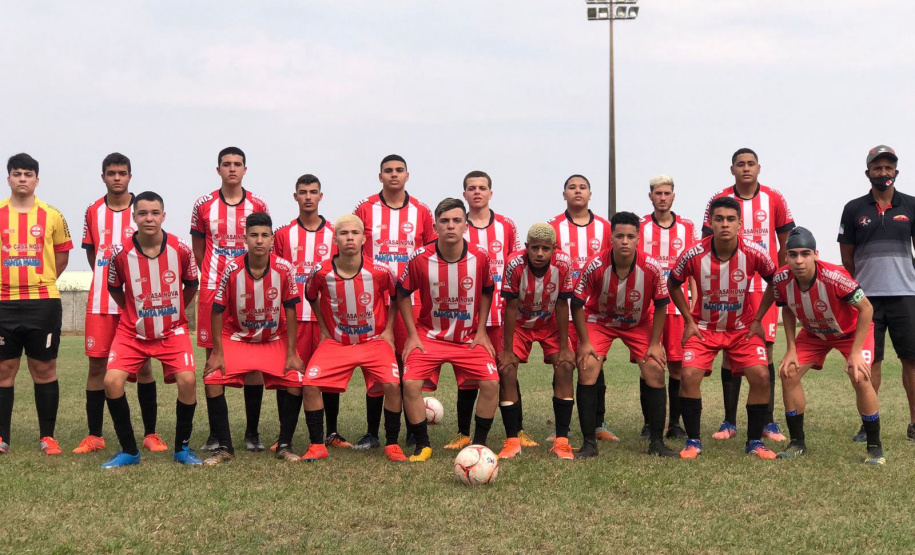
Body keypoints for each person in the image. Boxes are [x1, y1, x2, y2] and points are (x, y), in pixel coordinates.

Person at [750, 227, 884, 464]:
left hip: (849, 333)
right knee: (788, 372)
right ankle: (797, 442)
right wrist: (791, 348)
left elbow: (867, 309)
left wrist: (855, 352)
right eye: (793, 254)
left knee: (860, 376)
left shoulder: (835, 276)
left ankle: (874, 447)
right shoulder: (781, 278)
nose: (799, 260)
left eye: (805, 253)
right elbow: (787, 309)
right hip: (814, 332)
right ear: (786, 257)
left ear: (816, 255)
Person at [669, 196, 778, 460]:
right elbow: (673, 283)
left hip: (742, 329)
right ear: (710, 223)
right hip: (703, 328)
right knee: (688, 376)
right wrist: (689, 320)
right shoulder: (694, 253)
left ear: (740, 224)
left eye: (731, 219)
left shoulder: (754, 252)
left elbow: (776, 281)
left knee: (761, 376)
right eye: (719, 219)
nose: (725, 224)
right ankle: (693, 441)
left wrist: (758, 319)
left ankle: (754, 441)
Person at [101, 191, 201, 468]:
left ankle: (182, 449)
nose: (149, 218)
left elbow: (191, 285)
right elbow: (114, 288)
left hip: (172, 330)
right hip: (132, 332)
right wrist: (133, 312)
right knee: (111, 382)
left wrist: (175, 312)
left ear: (163, 216)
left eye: (155, 213)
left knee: (188, 380)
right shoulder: (120, 253)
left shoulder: (181, 249)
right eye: (143, 213)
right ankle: (129, 451)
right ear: (133, 217)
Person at [702, 148, 795, 442]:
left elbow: (787, 241)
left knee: (764, 350)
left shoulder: (774, 198)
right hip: (728, 287)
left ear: (759, 168)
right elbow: (706, 242)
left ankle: (768, 421)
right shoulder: (719, 199)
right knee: (730, 352)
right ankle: (729, 421)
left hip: (764, 288)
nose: (745, 168)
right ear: (732, 169)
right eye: (740, 164)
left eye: (750, 164)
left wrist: (781, 277)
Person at [397, 198, 498, 462]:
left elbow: (487, 290)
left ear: (466, 225)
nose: (450, 226)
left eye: (456, 221)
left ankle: (478, 444)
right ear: (435, 227)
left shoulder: (480, 256)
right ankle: (422, 445)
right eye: (444, 221)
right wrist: (412, 335)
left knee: (491, 383)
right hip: (429, 336)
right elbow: (402, 293)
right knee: (410, 383)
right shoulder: (420, 258)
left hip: (467, 338)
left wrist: (481, 331)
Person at [75, 152, 163, 455]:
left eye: (122, 173)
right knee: (97, 367)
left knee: (145, 366)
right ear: (103, 177)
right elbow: (93, 254)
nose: (117, 178)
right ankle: (94, 436)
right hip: (101, 303)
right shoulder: (93, 210)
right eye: (111, 173)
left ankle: (151, 434)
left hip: (135, 304)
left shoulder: (142, 210)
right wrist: (106, 279)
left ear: (129, 177)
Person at [571, 211, 678, 458]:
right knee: (588, 367)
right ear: (611, 238)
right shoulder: (596, 265)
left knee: (655, 369)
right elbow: (576, 304)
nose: (625, 241)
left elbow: (661, 304)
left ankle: (657, 443)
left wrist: (655, 343)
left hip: (638, 321)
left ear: (638, 239)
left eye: (630, 236)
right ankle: (589, 443)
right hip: (600, 319)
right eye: (619, 236)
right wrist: (584, 342)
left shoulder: (651, 266)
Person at [301, 215, 407, 462]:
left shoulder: (380, 270)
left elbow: (396, 296)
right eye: (344, 233)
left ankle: (392, 444)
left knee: (393, 385)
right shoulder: (321, 271)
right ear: (335, 239)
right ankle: (317, 445)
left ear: (363, 239)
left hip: (374, 342)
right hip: (337, 343)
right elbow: (311, 296)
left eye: (355, 233)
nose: (350, 237)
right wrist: (324, 329)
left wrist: (388, 330)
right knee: (310, 384)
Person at [201, 212, 304, 465]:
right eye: (254, 235)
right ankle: (224, 447)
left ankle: (284, 444)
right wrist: (217, 352)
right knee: (212, 378)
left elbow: (291, 310)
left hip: (273, 338)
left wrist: (292, 352)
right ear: (245, 238)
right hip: (239, 337)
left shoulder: (284, 269)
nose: (259, 240)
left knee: (296, 379)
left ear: (272, 239)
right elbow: (217, 310)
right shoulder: (232, 268)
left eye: (265, 235)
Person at [352, 154, 435, 450]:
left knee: (409, 364)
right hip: (373, 299)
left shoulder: (421, 211)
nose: (394, 175)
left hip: (412, 300)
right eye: (388, 170)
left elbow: (431, 254)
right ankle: (372, 433)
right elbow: (353, 248)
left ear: (407, 175)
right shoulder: (364, 208)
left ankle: (413, 431)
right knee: (378, 366)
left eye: (399, 170)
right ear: (380, 176)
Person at [190, 147, 271, 452]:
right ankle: (216, 434)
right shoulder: (204, 204)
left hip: (250, 290)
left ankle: (252, 433)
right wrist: (213, 273)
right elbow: (199, 246)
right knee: (213, 359)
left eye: (238, 164)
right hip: (213, 288)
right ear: (218, 169)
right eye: (227, 164)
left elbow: (264, 242)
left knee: (254, 362)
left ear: (245, 169)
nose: (232, 169)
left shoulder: (258, 204)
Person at [838, 144, 915, 442]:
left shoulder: (911, 205)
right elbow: (847, 258)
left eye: (888, 167)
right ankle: (868, 424)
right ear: (867, 172)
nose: (883, 172)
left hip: (906, 295)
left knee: (911, 361)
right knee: (870, 363)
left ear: (896, 171)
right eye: (877, 168)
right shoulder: (853, 209)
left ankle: (914, 423)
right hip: (866, 299)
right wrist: (861, 286)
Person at [0, 153, 72, 455]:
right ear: (8, 178)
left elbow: (61, 257)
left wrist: (41, 281)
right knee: (4, 368)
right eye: (17, 173)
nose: (22, 179)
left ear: (36, 180)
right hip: (3, 303)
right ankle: (2, 438)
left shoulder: (52, 215)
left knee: (44, 368)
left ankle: (48, 437)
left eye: (28, 174)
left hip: (42, 302)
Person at [272, 174, 349, 450]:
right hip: (294, 317)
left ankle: (332, 433)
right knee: (290, 375)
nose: (308, 197)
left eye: (313, 192)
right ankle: (284, 435)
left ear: (320, 196)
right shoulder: (283, 234)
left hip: (326, 317)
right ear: (295, 197)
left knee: (327, 375)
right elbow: (277, 274)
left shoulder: (335, 233)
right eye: (303, 192)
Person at [457, 170, 531, 451]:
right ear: (464, 194)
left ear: (490, 193)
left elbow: (517, 262)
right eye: (471, 188)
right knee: (468, 374)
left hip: (500, 310)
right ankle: (462, 433)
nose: (477, 192)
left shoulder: (506, 225)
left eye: (482, 187)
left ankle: (517, 431)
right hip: (467, 311)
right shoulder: (458, 225)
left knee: (507, 368)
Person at [548, 174, 617, 442]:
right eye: (572, 187)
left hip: (594, 311)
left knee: (594, 364)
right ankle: (561, 427)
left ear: (590, 194)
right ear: (564, 194)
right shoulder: (553, 226)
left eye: (583, 187)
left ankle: (599, 424)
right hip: (563, 307)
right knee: (563, 364)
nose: (577, 191)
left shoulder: (605, 227)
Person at [497, 223, 576, 459]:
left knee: (565, 366)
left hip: (549, 322)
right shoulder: (514, 264)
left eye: (545, 248)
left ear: (554, 249)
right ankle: (512, 441)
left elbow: (562, 304)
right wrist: (508, 350)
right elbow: (510, 306)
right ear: (526, 247)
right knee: (507, 369)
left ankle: (562, 441)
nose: (540, 253)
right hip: (519, 323)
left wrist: (564, 347)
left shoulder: (564, 263)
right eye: (534, 248)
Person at [638, 175, 698, 440]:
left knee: (676, 366)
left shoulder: (687, 227)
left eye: (666, 193)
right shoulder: (640, 227)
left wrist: (695, 301)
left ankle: (674, 424)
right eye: (658, 193)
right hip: (648, 308)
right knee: (649, 364)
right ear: (650, 196)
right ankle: (649, 423)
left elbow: (693, 268)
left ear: (673, 196)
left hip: (676, 307)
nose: (662, 198)